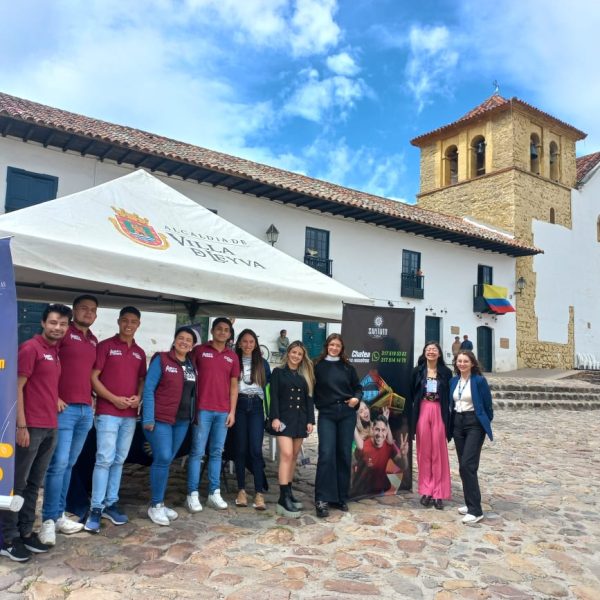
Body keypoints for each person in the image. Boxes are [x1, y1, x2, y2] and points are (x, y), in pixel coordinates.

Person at [1, 303, 71, 562]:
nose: (58, 328)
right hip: (30, 428)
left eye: (63, 324)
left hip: (50, 426)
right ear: (43, 323)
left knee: (33, 484)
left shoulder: (54, 352)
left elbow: (44, 387)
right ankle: (7, 538)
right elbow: (16, 389)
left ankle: (25, 531)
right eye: (53, 322)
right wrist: (21, 426)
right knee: (16, 485)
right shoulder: (30, 349)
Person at [40, 295, 99, 546]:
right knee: (58, 464)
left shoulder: (93, 340)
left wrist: (93, 397)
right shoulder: (63, 333)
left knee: (69, 465)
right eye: (83, 308)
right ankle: (49, 520)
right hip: (64, 409)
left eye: (92, 310)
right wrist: (53, 396)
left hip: (85, 410)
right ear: (74, 311)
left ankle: (60, 514)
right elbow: (47, 364)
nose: (88, 312)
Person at [84, 306, 146, 533]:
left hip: (129, 415)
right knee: (104, 459)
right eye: (125, 321)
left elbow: (141, 379)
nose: (129, 325)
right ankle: (96, 508)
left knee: (119, 460)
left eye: (134, 322)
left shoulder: (139, 352)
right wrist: (113, 399)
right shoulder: (106, 346)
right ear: (119, 322)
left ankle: (111, 503)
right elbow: (93, 377)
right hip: (108, 413)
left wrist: (137, 397)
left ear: (138, 325)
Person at [142, 327, 197, 526]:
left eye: (188, 340)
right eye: (181, 338)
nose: (184, 342)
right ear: (174, 341)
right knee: (163, 457)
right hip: (160, 419)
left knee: (167, 460)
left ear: (192, 345)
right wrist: (148, 418)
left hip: (181, 421)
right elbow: (149, 388)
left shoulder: (191, 365)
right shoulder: (162, 359)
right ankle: (155, 505)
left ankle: (160, 502)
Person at [187, 317, 240, 512]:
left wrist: (232, 411)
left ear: (229, 334)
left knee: (217, 452)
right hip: (202, 409)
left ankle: (214, 492)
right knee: (197, 452)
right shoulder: (199, 351)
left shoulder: (232, 357)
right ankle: (192, 493)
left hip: (222, 411)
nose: (222, 332)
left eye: (226, 330)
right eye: (219, 329)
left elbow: (234, 386)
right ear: (212, 331)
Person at [313, 334, 362, 518]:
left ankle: (341, 496)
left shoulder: (347, 367)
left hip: (347, 414)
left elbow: (358, 387)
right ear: (327, 346)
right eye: (331, 345)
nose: (334, 348)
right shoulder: (317, 366)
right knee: (326, 453)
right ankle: (322, 498)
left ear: (342, 348)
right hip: (327, 414)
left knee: (343, 454)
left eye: (338, 345)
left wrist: (356, 399)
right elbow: (310, 389)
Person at [269, 341, 315, 518]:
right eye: (294, 352)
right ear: (288, 353)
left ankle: (288, 493)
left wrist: (310, 420)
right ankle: (282, 499)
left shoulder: (305, 375)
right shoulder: (278, 372)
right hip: (283, 420)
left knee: (294, 456)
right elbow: (274, 396)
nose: (296, 356)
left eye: (299, 354)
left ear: (303, 357)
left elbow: (308, 399)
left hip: (300, 420)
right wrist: (275, 417)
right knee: (286, 455)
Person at [450, 350, 494, 524]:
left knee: (468, 464)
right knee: (464, 465)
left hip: (474, 423)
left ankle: (476, 511)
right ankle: (469, 504)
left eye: (465, 361)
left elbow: (488, 406)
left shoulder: (479, 381)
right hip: (458, 423)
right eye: (459, 361)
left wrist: (482, 422)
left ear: (472, 363)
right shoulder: (454, 381)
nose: (462, 364)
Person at [410, 342, 453, 510]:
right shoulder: (418, 371)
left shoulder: (446, 373)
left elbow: (450, 395)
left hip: (438, 411)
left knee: (439, 452)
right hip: (422, 409)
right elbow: (412, 391)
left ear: (439, 354)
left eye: (434, 350)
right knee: (424, 451)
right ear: (424, 353)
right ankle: (426, 490)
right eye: (428, 350)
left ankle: (439, 492)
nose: (431, 352)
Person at [232, 329, 271, 511]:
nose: (248, 345)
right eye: (245, 341)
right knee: (240, 449)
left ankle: (259, 492)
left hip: (256, 407)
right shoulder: (233, 361)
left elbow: (269, 387)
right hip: (238, 405)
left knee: (255, 450)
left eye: (251, 342)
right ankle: (241, 490)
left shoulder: (263, 364)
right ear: (239, 343)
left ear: (255, 344)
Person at [351, 415, 408, 498]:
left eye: (383, 430)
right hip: (362, 493)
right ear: (372, 429)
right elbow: (352, 465)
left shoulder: (389, 447)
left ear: (387, 431)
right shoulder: (364, 446)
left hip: (380, 493)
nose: (380, 434)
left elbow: (403, 466)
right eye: (377, 429)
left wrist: (404, 455)